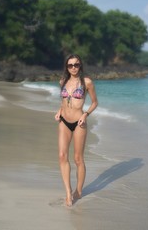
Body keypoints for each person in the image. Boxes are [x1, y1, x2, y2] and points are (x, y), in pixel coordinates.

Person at [54, 54, 98, 207]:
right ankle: (68, 192)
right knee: (61, 156)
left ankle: (78, 191)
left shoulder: (87, 82)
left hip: (79, 122)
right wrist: (59, 110)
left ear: (80, 65)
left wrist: (86, 114)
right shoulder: (62, 81)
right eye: (70, 65)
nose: (73, 67)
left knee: (78, 159)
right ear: (66, 67)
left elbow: (94, 103)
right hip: (64, 121)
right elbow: (64, 100)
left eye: (76, 65)